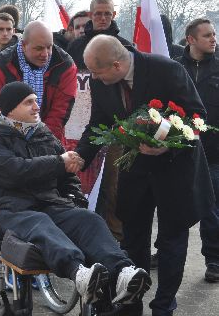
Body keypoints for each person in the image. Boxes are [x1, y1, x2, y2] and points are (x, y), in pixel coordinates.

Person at [0, 81, 151, 308]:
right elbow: (15, 172)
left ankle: (123, 272)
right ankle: (78, 271)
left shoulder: (44, 134)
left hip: (49, 203)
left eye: (36, 101)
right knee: (39, 221)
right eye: (28, 102)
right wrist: (57, 162)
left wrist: (74, 199)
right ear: (10, 109)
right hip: (10, 207)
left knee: (88, 219)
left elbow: (68, 177)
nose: (36, 107)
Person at [76, 35, 214, 315]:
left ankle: (164, 305)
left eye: (98, 72)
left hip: (176, 170)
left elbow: (197, 117)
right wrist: (79, 156)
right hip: (135, 170)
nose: (94, 78)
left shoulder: (167, 70)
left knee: (171, 240)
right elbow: (97, 124)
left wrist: (165, 145)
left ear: (116, 65)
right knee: (132, 238)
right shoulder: (100, 82)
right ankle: (131, 303)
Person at [0, 21, 76, 160]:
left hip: (48, 141)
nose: (45, 54)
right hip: (5, 140)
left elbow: (59, 113)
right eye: (38, 48)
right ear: (24, 45)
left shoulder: (65, 65)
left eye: (49, 47)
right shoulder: (2, 63)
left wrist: (42, 148)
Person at [175, 18, 219, 283]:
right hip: (179, 149)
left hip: (214, 153)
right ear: (191, 39)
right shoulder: (175, 67)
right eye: (207, 35)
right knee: (171, 203)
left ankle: (213, 259)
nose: (213, 39)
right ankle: (165, 248)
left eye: (214, 34)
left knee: (211, 207)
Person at [67, 0, 132, 70]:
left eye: (107, 14)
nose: (103, 18)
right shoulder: (75, 46)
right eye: (98, 14)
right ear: (90, 15)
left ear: (113, 15)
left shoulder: (125, 46)